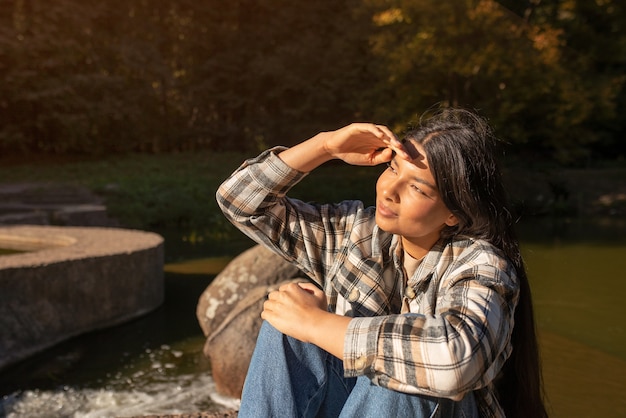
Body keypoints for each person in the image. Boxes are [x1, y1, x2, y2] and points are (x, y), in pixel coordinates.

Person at [216, 108, 547, 417]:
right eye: (393, 169)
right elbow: (240, 202)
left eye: (417, 187)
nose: (390, 190)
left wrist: (315, 323)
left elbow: (456, 361)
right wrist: (326, 146)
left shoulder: (481, 264)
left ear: (454, 213)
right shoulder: (356, 233)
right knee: (286, 331)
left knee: (410, 372)